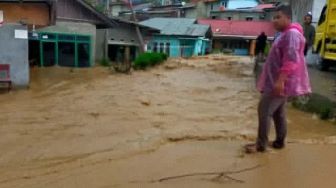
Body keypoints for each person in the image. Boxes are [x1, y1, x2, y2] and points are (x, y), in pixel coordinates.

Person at [245, 4, 312, 153]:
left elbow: (291, 60)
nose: (274, 21)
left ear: (288, 18)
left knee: (264, 110)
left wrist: (281, 80)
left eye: (278, 17)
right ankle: (279, 142)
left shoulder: (291, 35)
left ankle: (261, 145)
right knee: (278, 112)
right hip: (277, 81)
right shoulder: (286, 34)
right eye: (273, 18)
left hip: (279, 82)